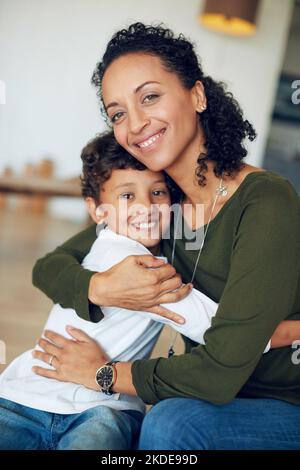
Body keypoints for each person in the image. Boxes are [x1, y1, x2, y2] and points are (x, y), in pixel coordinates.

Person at [31, 23, 300, 450]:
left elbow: (218, 371)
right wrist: (101, 287)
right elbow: (50, 267)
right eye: (118, 113)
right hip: (217, 392)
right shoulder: (160, 203)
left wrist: (104, 374)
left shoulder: (266, 201)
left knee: (172, 425)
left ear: (197, 95)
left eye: (150, 97)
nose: (135, 124)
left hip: (285, 401)